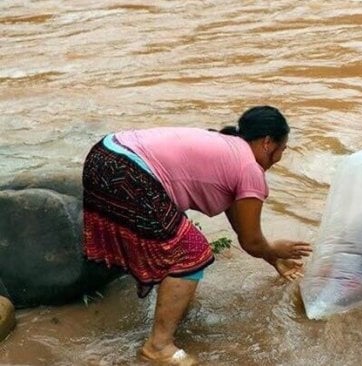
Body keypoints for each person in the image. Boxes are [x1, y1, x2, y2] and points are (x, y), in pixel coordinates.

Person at [82, 105, 312, 365]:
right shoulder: (249, 168)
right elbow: (252, 240)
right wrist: (275, 249)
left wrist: (272, 259)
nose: (280, 158)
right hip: (127, 170)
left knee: (176, 239)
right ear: (268, 143)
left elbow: (243, 233)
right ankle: (158, 346)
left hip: (104, 154)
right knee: (192, 252)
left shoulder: (228, 147)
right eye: (282, 149)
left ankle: (172, 313)